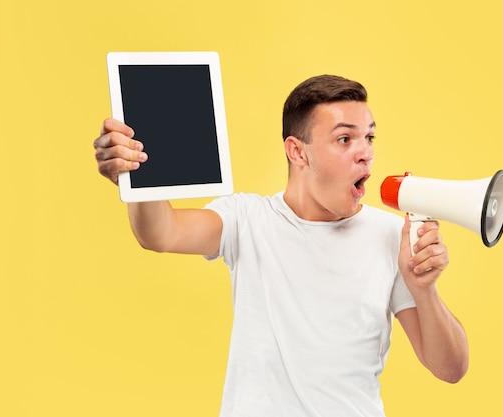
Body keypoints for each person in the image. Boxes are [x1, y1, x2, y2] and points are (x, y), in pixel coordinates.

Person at [93, 74, 469, 417]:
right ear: (298, 151)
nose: (365, 151)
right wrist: (134, 173)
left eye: (369, 137)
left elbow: (450, 369)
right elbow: (161, 233)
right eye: (345, 138)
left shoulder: (392, 235)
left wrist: (425, 290)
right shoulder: (247, 220)